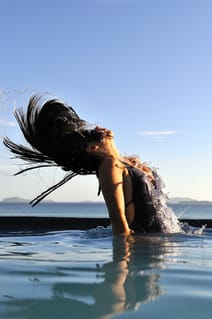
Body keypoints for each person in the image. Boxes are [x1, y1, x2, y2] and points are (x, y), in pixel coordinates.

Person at [3, 94, 180, 235]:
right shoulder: (109, 166)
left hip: (160, 244)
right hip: (146, 248)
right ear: (92, 148)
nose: (97, 128)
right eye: (91, 133)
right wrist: (120, 273)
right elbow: (119, 224)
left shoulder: (127, 161)